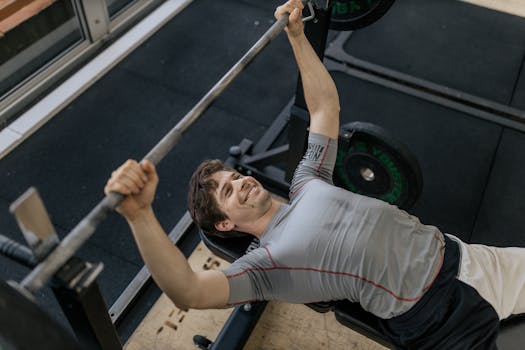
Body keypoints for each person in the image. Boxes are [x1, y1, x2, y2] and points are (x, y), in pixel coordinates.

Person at [105, 1, 525, 348]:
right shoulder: (268, 268)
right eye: (229, 191)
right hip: (438, 316)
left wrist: (297, 38)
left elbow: (324, 109)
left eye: (235, 175)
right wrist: (141, 216)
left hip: (464, 258)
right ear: (226, 223)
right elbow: (190, 291)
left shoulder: (307, 181)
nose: (242, 181)